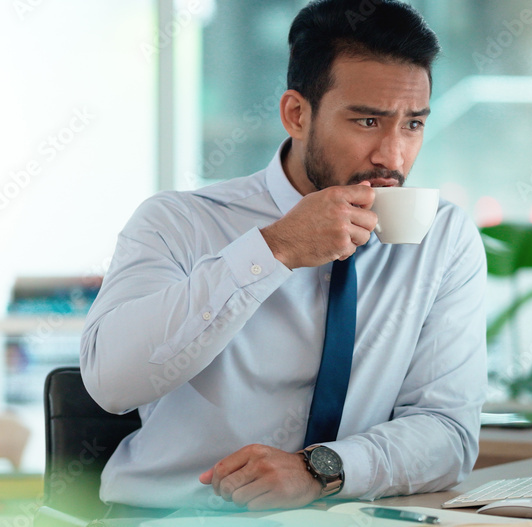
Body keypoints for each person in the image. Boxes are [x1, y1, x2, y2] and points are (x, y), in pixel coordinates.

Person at [80, 0, 486, 515]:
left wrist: (320, 470)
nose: (393, 155)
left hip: (349, 518)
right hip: (174, 518)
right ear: (297, 113)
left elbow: (447, 433)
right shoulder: (177, 222)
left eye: (413, 125)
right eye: (367, 121)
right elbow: (110, 383)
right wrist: (273, 250)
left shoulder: (442, 236)